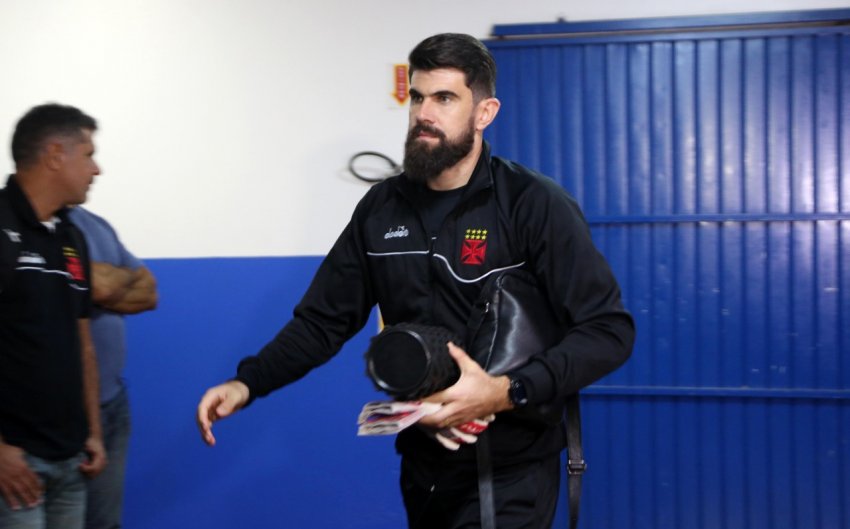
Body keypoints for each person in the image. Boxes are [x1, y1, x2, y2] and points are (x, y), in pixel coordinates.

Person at [197, 33, 635, 528]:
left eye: (445, 98)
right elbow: (322, 321)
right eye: (418, 97)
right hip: (423, 466)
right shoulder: (381, 209)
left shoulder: (532, 203)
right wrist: (247, 383)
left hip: (510, 473)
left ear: (484, 112)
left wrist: (506, 390)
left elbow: (608, 331)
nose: (424, 113)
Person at [0, 103, 107, 529]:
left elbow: (83, 344)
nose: (96, 169)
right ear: (55, 155)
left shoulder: (70, 236)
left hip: (71, 459)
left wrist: (93, 431)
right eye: (89, 155)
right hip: (16, 466)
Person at [67, 206, 158, 529]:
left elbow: (149, 292)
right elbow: (102, 287)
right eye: (87, 155)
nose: (93, 178)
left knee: (104, 523)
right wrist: (118, 281)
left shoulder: (95, 225)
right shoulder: (31, 228)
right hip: (62, 413)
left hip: (112, 404)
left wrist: (96, 284)